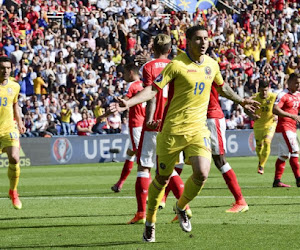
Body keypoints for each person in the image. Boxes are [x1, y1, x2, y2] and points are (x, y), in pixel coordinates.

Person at [110, 25, 259, 242]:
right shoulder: (176, 65)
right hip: (171, 132)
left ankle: (180, 207)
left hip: (198, 130)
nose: (204, 42)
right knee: (161, 179)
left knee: (202, 173)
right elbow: (153, 89)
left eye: (206, 38)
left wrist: (241, 100)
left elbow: (222, 87)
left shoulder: (211, 64)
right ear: (188, 41)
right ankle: (150, 222)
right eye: (198, 39)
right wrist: (128, 103)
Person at [127, 34, 191, 225]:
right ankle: (185, 206)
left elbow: (152, 95)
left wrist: (150, 119)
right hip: (174, 122)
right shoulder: (179, 66)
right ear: (170, 50)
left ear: (153, 48)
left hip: (154, 123)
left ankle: (141, 212)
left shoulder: (148, 67)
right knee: (170, 167)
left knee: (144, 167)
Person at [111, 63, 145, 192]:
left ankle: (148, 187)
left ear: (131, 72)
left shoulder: (132, 85)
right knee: (131, 152)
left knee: (140, 155)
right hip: (144, 122)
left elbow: (123, 103)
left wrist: (105, 114)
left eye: (125, 73)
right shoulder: (144, 84)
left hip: (136, 123)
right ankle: (119, 183)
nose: (124, 76)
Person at [0, 57, 26, 209]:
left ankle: (13, 191)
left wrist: (20, 122)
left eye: (8, 68)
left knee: (15, 158)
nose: (5, 70)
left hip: (9, 128)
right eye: (2, 67)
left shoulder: (14, 86)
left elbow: (15, 105)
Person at [272, 73, 300, 187]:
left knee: (284, 155)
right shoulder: (283, 95)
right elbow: (275, 109)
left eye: (299, 82)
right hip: (284, 127)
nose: (298, 85)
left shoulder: (298, 95)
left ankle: (277, 181)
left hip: (292, 128)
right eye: (296, 82)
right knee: (295, 151)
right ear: (289, 82)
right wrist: (291, 116)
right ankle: (299, 179)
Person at [252, 80, 277, 174]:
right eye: (262, 90)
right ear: (259, 89)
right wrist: (252, 116)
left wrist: (277, 114)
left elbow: (281, 105)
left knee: (267, 142)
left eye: (266, 90)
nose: (264, 92)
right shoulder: (254, 98)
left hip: (270, 123)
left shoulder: (273, 96)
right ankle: (261, 161)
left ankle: (261, 166)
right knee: (259, 146)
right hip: (258, 125)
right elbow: (245, 108)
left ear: (268, 89)